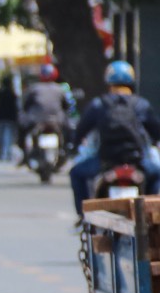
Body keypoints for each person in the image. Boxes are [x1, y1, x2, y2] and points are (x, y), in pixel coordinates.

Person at [68, 59, 160, 214]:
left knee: (75, 173)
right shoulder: (141, 104)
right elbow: (156, 132)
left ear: (109, 82)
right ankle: (152, 213)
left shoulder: (98, 104)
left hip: (105, 161)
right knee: (156, 174)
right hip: (137, 161)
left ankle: (82, 216)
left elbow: (81, 130)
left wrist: (74, 145)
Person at [20, 62, 72, 144]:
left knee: (22, 129)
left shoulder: (34, 89)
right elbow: (66, 106)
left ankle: (23, 150)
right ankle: (69, 147)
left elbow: (26, 105)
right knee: (69, 130)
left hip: (37, 120)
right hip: (57, 121)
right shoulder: (60, 89)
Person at [0, 71, 20, 165]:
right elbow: (18, 107)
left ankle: (2, 154)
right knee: (8, 137)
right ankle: (6, 154)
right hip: (10, 119)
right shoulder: (14, 95)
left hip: (0, 118)